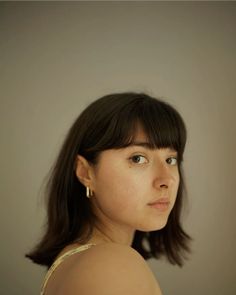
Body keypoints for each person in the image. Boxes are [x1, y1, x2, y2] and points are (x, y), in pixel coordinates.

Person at [26, 92, 192, 295]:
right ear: (86, 172)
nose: (166, 180)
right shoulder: (111, 264)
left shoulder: (80, 262)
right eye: (138, 158)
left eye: (171, 160)